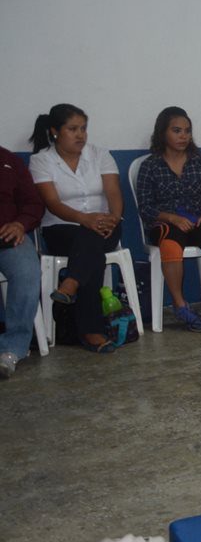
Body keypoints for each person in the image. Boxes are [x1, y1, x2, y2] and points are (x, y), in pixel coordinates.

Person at [29, 104, 123, 353]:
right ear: (55, 131)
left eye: (83, 129)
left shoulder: (100, 154)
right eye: (73, 129)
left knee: (91, 239)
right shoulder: (41, 160)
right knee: (91, 248)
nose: (80, 134)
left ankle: (70, 284)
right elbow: (52, 203)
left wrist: (113, 217)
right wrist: (85, 218)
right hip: (61, 228)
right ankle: (91, 330)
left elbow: (113, 192)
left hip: (107, 225)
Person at [135, 106, 201, 331]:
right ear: (163, 133)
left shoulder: (199, 162)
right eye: (176, 131)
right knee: (170, 245)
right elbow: (145, 206)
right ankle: (180, 305)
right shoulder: (150, 166)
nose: (183, 136)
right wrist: (171, 217)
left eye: (187, 131)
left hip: (198, 220)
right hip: (166, 223)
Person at [0, 145, 44, 377]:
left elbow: (33, 203)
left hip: (8, 235)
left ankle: (11, 349)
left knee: (27, 271)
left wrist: (20, 224)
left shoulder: (9, 161)